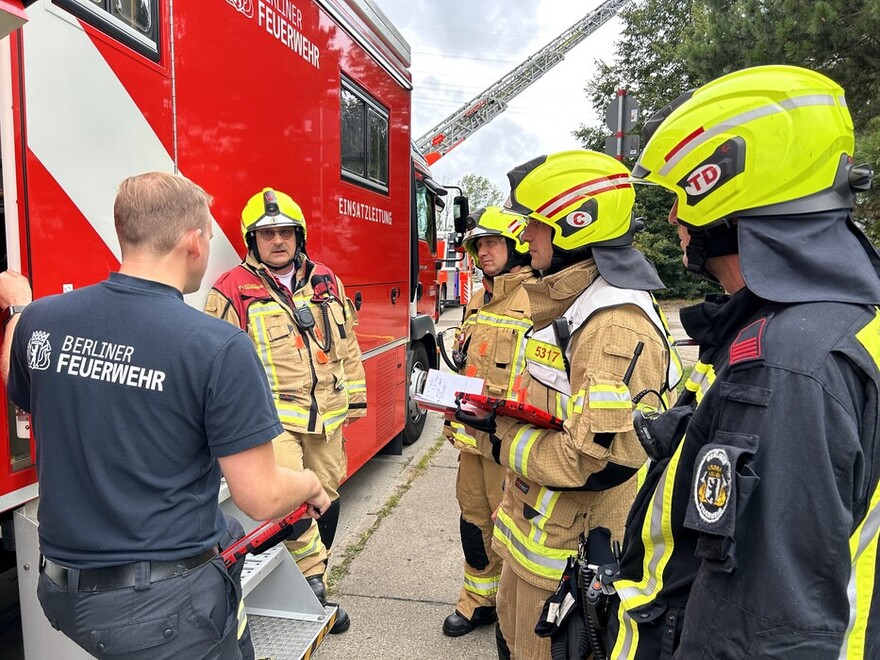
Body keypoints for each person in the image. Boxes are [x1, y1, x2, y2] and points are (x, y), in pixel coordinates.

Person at [607, 64, 880, 658]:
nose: (675, 218)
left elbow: (757, 630)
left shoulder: (788, 364)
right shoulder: (827, 325)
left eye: (682, 196)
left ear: (726, 189)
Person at [0, 171, 331, 660]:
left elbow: (19, 382)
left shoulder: (42, 321)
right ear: (194, 242)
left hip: (62, 593)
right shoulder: (218, 347)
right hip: (164, 610)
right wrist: (310, 484)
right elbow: (260, 497)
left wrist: (19, 312)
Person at [460, 150, 682, 659]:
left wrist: (498, 436)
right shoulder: (575, 306)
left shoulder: (612, 327)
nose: (527, 236)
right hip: (536, 538)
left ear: (576, 227)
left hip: (566, 556)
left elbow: (593, 464)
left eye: (537, 224)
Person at [204, 187, 366, 633]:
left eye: (286, 232)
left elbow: (347, 343)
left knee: (326, 497)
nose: (278, 241)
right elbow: (214, 360)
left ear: (300, 235)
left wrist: (354, 398)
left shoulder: (326, 281)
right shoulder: (231, 290)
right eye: (267, 233)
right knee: (291, 500)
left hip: (328, 416)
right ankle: (315, 589)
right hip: (272, 421)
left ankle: (315, 578)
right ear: (251, 241)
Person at [441, 206, 537, 637]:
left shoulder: (537, 296)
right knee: (473, 518)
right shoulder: (478, 298)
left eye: (492, 243)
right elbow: (468, 363)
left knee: (512, 523)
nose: (483, 251)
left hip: (511, 439)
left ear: (516, 246)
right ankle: (477, 599)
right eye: (479, 245)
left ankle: (512, 609)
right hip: (473, 436)